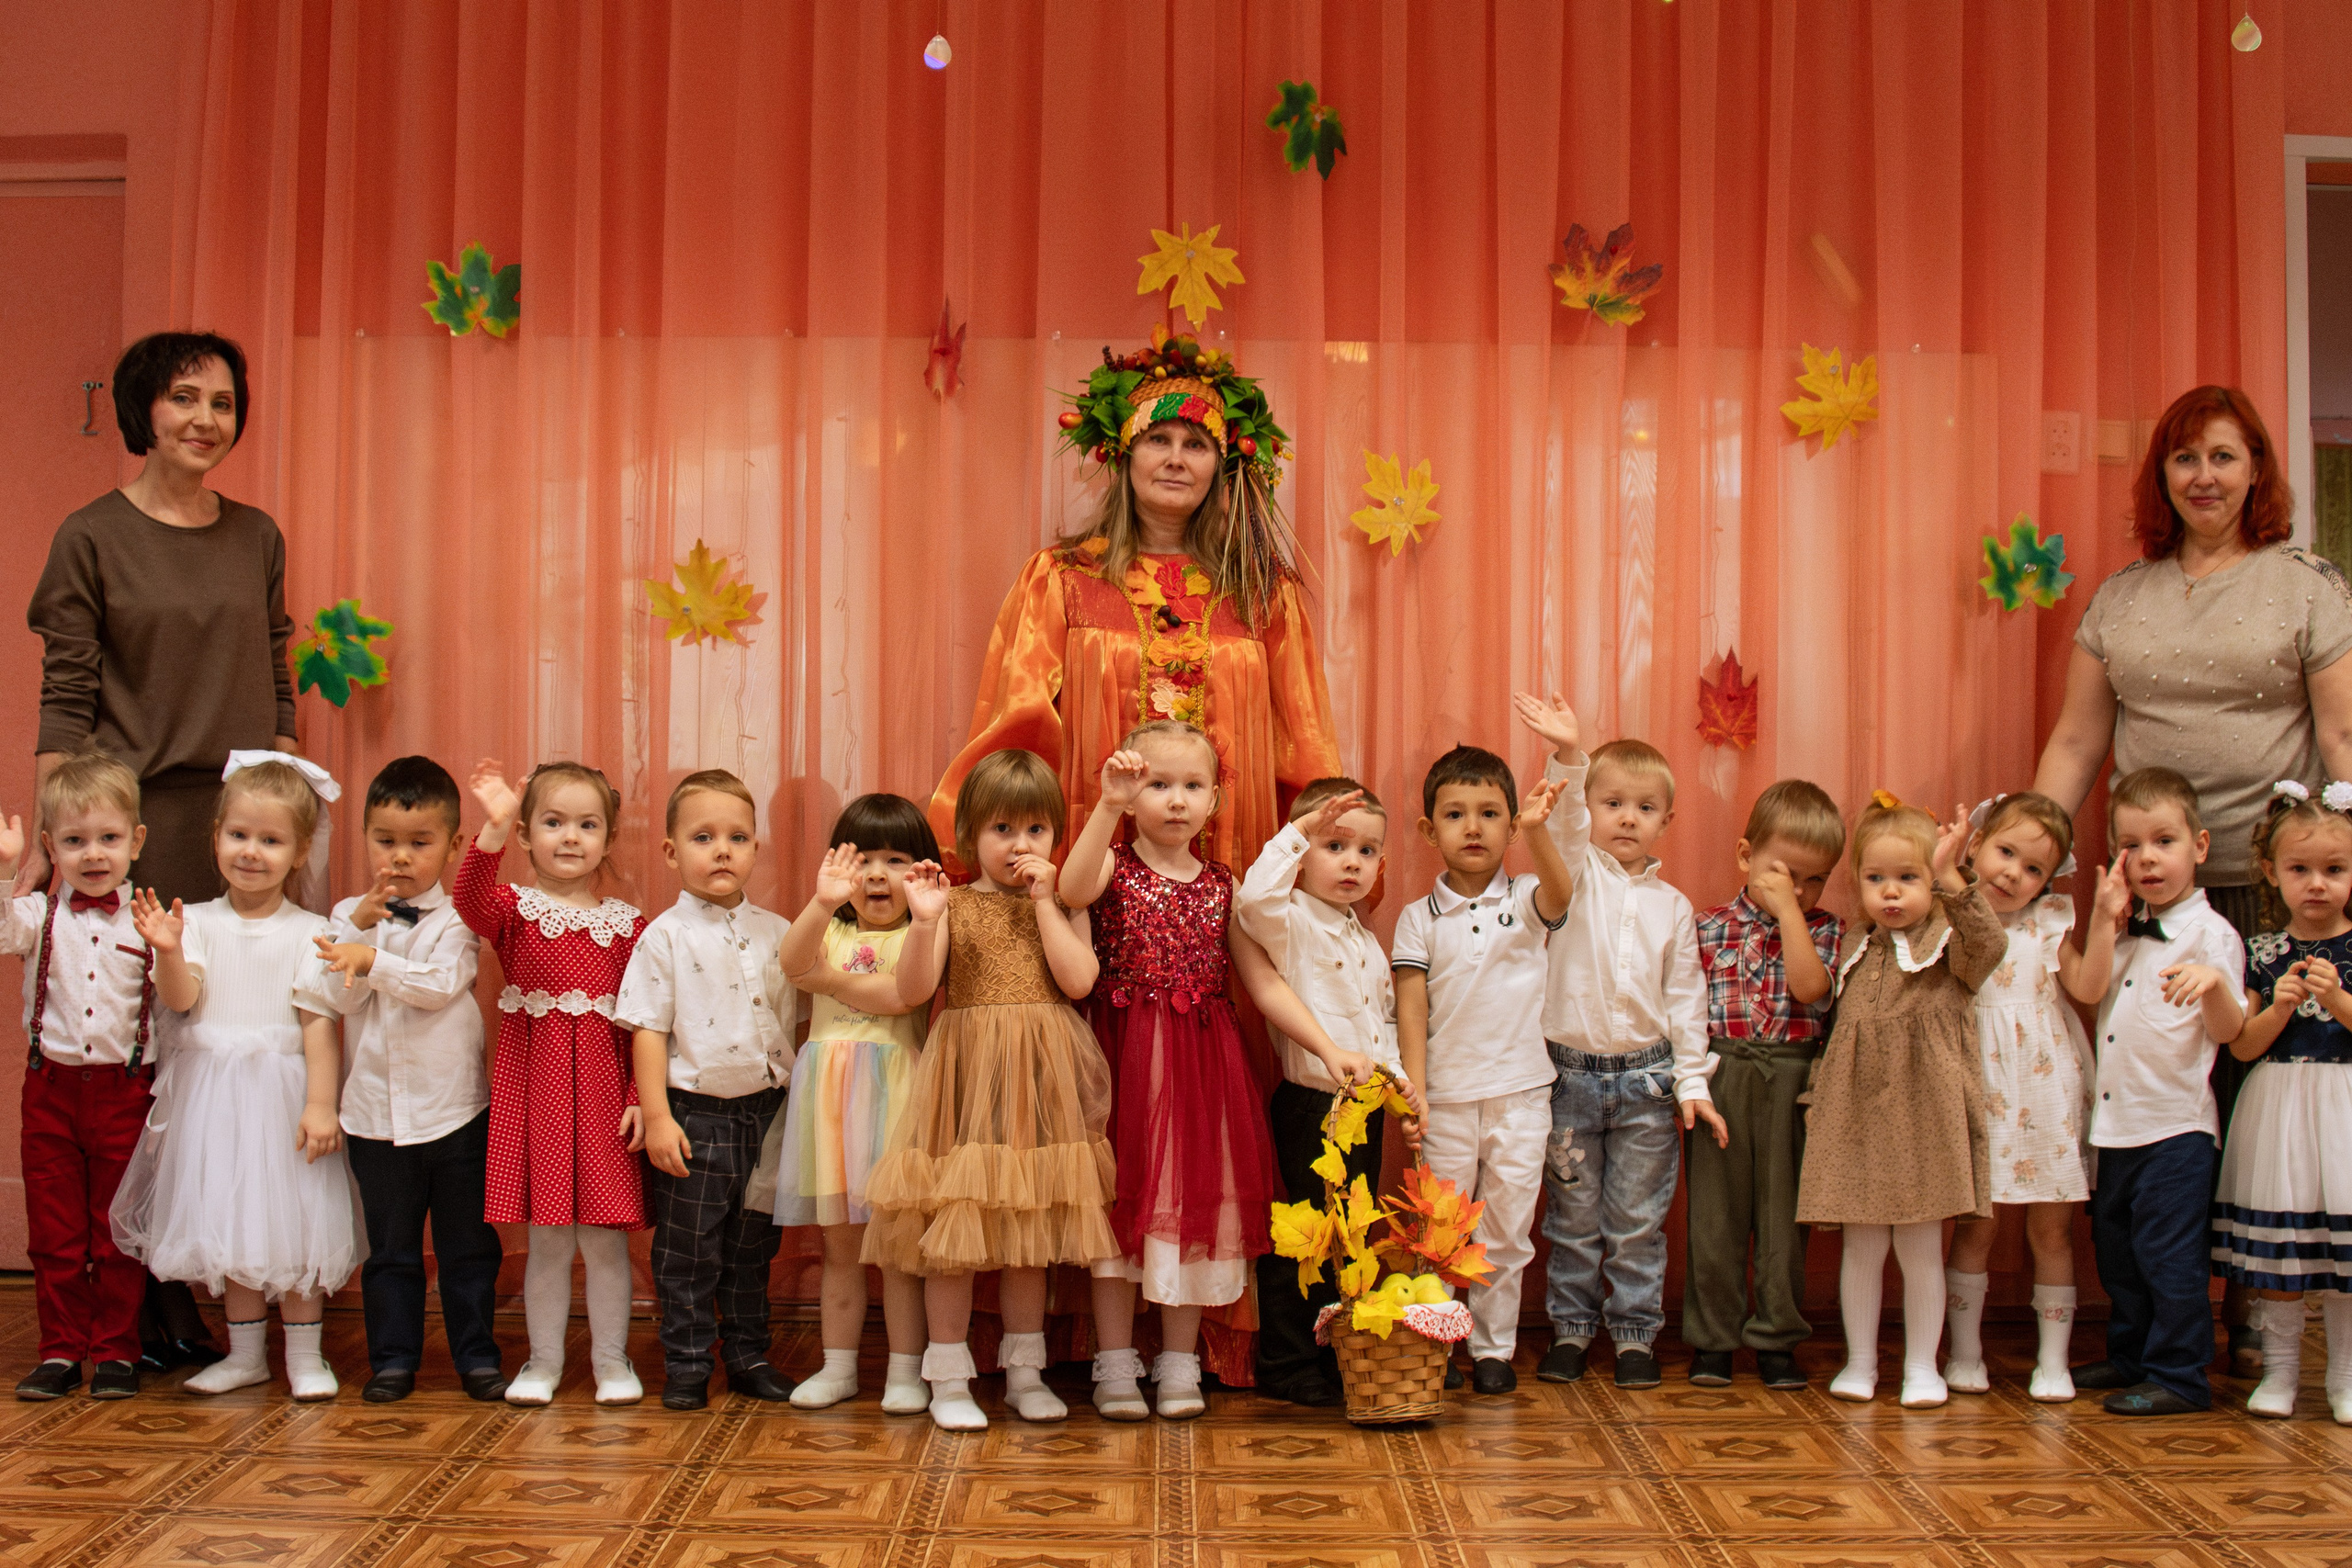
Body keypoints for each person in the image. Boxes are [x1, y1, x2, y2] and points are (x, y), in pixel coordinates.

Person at [2032, 385, 2352, 1372]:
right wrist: (2036, 862)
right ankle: (2164, 1330)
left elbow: (2340, 736)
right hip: (2149, 897)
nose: (2203, 477)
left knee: (2259, 1112)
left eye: (2222, 456)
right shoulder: (2121, 597)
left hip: (2267, 888)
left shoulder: (2307, 585)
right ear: (2161, 478)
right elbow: (2078, 741)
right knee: (2157, 1112)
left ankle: (2261, 1315)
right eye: (2184, 460)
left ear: (2256, 467)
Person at [29, 331, 302, 1371]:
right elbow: (66, 691)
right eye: (184, 398)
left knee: (215, 1063)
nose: (204, 419)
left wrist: (281, 802)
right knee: (137, 1070)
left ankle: (191, 1281)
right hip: (129, 825)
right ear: (145, 409)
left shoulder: (257, 533)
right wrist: (51, 840)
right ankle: (132, 1293)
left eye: (223, 402)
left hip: (233, 830)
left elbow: (275, 664)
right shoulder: (90, 535)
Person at [929, 328, 1339, 881]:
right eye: (1158, 441)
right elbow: (1019, 728)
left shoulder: (1263, 591)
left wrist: (1332, 852)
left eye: (1196, 444)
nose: (1176, 459)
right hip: (1090, 857)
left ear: (1221, 464)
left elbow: (1302, 746)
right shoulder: (1063, 579)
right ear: (1124, 455)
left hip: (1230, 857)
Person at [1059, 723, 1374, 1421]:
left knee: (1193, 1212)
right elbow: (1070, 888)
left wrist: (1328, 1047)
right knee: (1119, 1211)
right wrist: (1107, 805)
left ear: (1216, 799)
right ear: (1133, 792)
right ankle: (1114, 1363)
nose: (1175, 801)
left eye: (1192, 786)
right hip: (1123, 1065)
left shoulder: (1221, 885)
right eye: (1158, 784)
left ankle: (1178, 1361)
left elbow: (1263, 986)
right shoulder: (1113, 863)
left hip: (1203, 1072)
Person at [863, 750, 1118, 1432]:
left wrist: (1044, 903)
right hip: (966, 1076)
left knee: (1027, 1231)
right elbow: (914, 992)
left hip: (1042, 1077)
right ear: (969, 835)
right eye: (1002, 829)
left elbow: (1078, 981)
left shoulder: (1066, 900)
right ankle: (947, 1373)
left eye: (1035, 830)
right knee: (956, 1228)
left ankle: (1026, 1373)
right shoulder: (953, 904)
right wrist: (922, 922)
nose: (1020, 845)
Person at [110, 756, 353, 1400]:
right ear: (216, 835)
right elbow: (184, 998)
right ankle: (246, 1352)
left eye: (271, 840)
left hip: (285, 1102)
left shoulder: (311, 931)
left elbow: (317, 1025)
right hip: (215, 1102)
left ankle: (305, 1354)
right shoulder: (198, 923)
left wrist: (322, 1104)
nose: (252, 852)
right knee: (231, 1223)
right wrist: (167, 949)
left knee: (296, 1224)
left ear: (300, 851)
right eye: (239, 835)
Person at [1527, 700, 1724, 1391]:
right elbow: (1565, 827)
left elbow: (1686, 1002)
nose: (1628, 818)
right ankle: (1572, 1330)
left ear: (1667, 821)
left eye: (1645, 808)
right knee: (1573, 1218)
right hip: (1570, 1081)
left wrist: (1692, 1084)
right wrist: (1570, 756)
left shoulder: (1674, 908)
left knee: (1637, 1222)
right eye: (1612, 803)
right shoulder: (1576, 876)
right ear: (1590, 809)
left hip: (1647, 1084)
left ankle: (1636, 1335)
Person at [310, 756, 507, 1404]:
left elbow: (439, 985)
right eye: (385, 840)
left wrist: (373, 960)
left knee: (466, 1247)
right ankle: (393, 1358)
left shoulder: (459, 921)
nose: (399, 857)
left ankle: (476, 1355)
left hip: (454, 1113)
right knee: (390, 1251)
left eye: (418, 843)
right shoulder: (348, 913)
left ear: (452, 845)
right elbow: (330, 1000)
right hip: (373, 1116)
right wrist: (358, 931)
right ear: (364, 836)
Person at [1795, 796, 2004, 1409]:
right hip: (1858, 1115)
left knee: (1919, 1249)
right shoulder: (1856, 941)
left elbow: (1990, 945)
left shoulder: (1950, 942)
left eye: (1908, 878)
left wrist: (1952, 879)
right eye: (1875, 878)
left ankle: (1921, 1365)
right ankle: (1861, 1361)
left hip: (1924, 1117)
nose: (1891, 892)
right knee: (1862, 1246)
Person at [455, 760, 647, 1407]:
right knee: (546, 1239)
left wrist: (640, 1098)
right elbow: (469, 901)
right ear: (528, 835)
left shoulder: (628, 925)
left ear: (609, 837)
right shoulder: (514, 909)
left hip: (603, 1097)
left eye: (587, 824)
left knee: (604, 1239)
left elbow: (647, 1023)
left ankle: (611, 1361)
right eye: (553, 822)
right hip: (534, 1093)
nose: (570, 836)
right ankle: (541, 1361)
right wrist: (494, 824)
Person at [1390, 743, 1573, 1393]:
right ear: (1428, 830)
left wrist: (1541, 833)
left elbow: (1561, 890)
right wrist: (1416, 1095)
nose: (1473, 826)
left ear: (1511, 823)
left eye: (1491, 813)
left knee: (1506, 1229)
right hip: (1446, 1099)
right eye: (1456, 813)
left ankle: (1494, 1349)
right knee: (1439, 1231)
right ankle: (1437, 1346)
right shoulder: (1417, 919)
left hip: (1523, 1096)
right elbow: (1411, 1013)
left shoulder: (1525, 896)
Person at [616, 771, 797, 1412]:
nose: (722, 849)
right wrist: (659, 1117)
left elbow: (796, 1020)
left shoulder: (781, 931)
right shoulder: (663, 935)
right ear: (671, 851)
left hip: (768, 1115)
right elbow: (647, 1030)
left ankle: (748, 1355)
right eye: (703, 836)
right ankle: (688, 1361)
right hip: (696, 1118)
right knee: (688, 1250)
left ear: (755, 849)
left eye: (737, 836)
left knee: (751, 1249)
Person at [2071, 768, 2246, 1416]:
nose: (2147, 857)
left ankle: (2180, 1374)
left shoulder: (2213, 937)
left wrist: (2214, 984)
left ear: (2198, 846)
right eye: (2131, 843)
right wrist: (2101, 917)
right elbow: (2088, 991)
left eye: (2164, 840)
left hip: (2175, 1130)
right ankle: (2132, 1354)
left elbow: (2229, 1031)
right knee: (2117, 1253)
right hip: (2115, 1129)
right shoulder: (2124, 931)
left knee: (2168, 1256)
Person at [1942, 793, 2128, 1404]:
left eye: (2032, 869)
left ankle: (2054, 1360)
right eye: (2004, 851)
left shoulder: (2049, 920)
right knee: (1976, 1226)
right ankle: (1964, 1352)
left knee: (2052, 1231)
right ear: (1976, 844)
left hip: (2043, 1083)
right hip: (1979, 1078)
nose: (2011, 873)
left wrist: (2102, 922)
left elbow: (2089, 985)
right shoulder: (1952, 911)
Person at [1234, 778, 1414, 1406]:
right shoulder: (1293, 923)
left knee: (1350, 1235)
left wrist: (1401, 1088)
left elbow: (1381, 1025)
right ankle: (1286, 1361)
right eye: (1334, 845)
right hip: (1311, 1106)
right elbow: (1254, 900)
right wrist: (1297, 833)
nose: (1351, 862)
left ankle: (1337, 1350)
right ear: (1305, 853)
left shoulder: (1364, 937)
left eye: (1367, 851)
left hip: (1360, 1113)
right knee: (1303, 1237)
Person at [2, 753, 161, 1401]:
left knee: (117, 1229)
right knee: (56, 1230)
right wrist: (10, 871)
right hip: (52, 1090)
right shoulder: (39, 915)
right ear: (51, 846)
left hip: (125, 1090)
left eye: (108, 838)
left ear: (136, 840)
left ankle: (118, 1348)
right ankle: (61, 1348)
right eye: (73, 841)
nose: (93, 854)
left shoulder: (150, 921)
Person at [775, 795, 939, 1415]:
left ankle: (904, 1372)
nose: (875, 873)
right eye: (862, 858)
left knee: (897, 1248)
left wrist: (831, 981)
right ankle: (838, 1365)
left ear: (921, 871)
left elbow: (907, 993)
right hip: (829, 1106)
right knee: (840, 1247)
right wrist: (820, 901)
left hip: (896, 1099)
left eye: (895, 859)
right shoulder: (832, 926)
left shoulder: (924, 927)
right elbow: (792, 962)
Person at [1683, 780, 1847, 1391]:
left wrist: (1788, 914)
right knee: (1715, 1220)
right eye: (1786, 873)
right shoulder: (1706, 927)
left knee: (1783, 1221)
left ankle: (1778, 1336)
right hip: (1722, 1073)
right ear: (1746, 855)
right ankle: (1713, 1339)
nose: (1800, 890)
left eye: (1815, 879)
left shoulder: (1827, 930)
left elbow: (1810, 989)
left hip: (1793, 1077)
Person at [2212, 782, 2352, 1423]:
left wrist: (2342, 1001)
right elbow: (2242, 1047)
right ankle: (2280, 1371)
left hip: (2342, 1106)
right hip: (2281, 1106)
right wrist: (2279, 1007)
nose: (2316, 884)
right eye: (2301, 869)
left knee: (2342, 1254)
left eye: (2334, 869)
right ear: (2271, 870)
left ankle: (2342, 1378)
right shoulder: (2263, 952)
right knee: (2285, 1248)